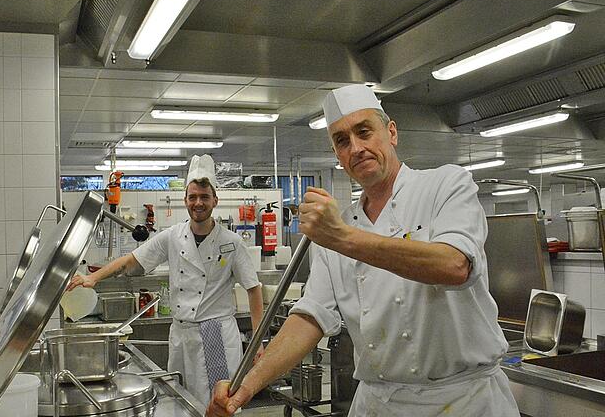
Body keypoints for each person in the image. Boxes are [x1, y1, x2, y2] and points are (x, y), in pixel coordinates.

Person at [206, 85, 520, 416]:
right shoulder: (338, 228)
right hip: (379, 403)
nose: (356, 147)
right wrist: (245, 388)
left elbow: (456, 266)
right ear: (337, 155)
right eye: (342, 141)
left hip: (464, 401)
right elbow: (310, 317)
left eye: (364, 132)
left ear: (391, 133)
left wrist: (342, 237)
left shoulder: (445, 185)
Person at [67, 154, 264, 408]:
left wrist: (258, 343)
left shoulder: (232, 243)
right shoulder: (172, 237)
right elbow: (131, 260)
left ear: (215, 200)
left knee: (217, 406)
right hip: (181, 334)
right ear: (185, 200)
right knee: (180, 401)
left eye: (204, 197)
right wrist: (93, 278)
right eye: (193, 197)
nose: (198, 203)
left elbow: (254, 289)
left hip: (215, 334)